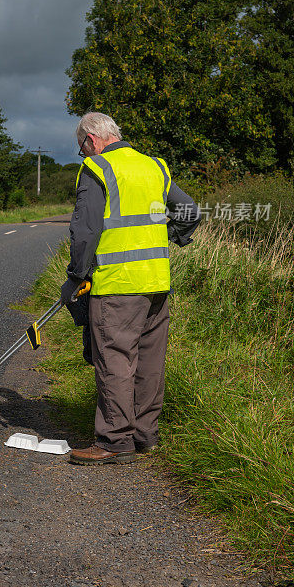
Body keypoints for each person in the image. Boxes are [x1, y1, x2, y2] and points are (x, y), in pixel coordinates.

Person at [60, 112, 201, 465]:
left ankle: (113, 441)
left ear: (91, 140)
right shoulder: (155, 167)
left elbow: (86, 231)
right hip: (156, 283)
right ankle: (145, 436)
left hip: (117, 286)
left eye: (82, 149)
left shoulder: (97, 169)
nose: (84, 155)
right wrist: (164, 237)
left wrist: (75, 278)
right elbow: (189, 212)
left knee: (116, 362)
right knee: (149, 362)